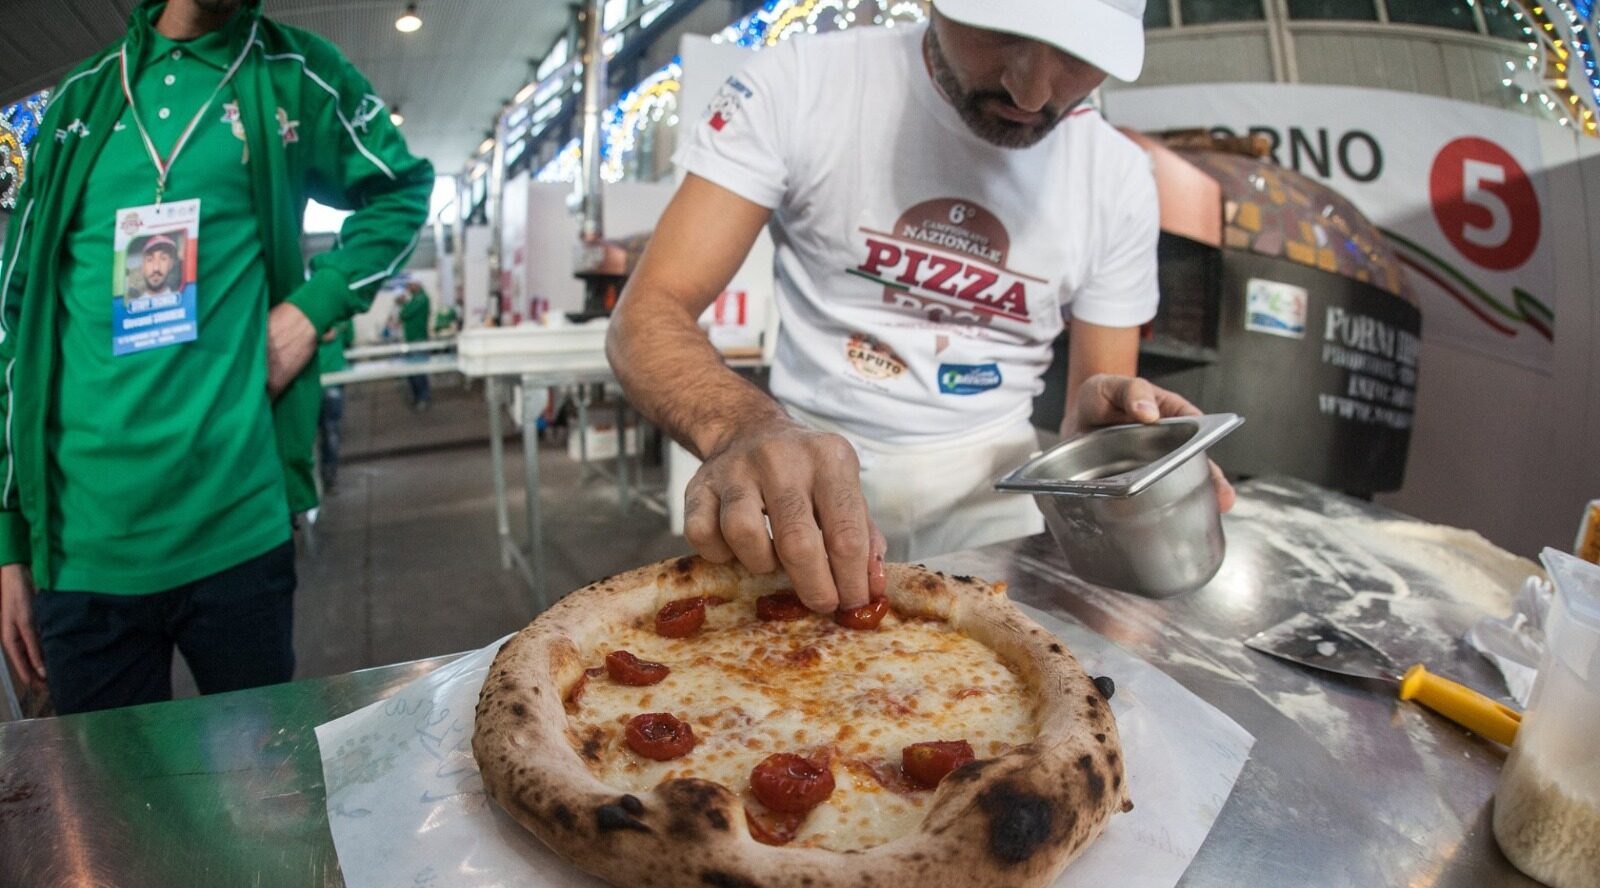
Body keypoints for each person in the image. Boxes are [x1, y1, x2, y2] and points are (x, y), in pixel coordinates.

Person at [607, 0, 1233, 614]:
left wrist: (1112, 445)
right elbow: (648, 313)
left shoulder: (1117, 177)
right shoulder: (801, 84)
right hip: (801, 484)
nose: (1033, 92)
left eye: (1077, 53)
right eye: (1002, 31)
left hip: (991, 504)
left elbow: (1089, 410)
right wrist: (741, 426)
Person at [0, 0, 433, 713]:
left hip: (237, 532)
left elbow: (403, 188)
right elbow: (14, 325)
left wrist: (310, 310)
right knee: (111, 811)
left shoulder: (295, 76)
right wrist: (10, 537)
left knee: (262, 800)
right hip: (84, 552)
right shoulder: (79, 103)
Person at [317, 319, 354, 494]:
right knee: (330, 431)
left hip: (318, 379)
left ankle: (325, 477)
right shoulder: (341, 316)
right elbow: (348, 340)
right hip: (326, 378)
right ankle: (328, 476)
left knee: (326, 431)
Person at [398, 280, 432, 411]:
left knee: (418, 370)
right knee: (411, 371)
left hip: (418, 339)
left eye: (410, 285)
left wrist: (404, 305)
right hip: (411, 339)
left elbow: (405, 314)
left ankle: (423, 397)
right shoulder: (414, 299)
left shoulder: (421, 299)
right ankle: (417, 396)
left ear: (417, 285)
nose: (408, 287)